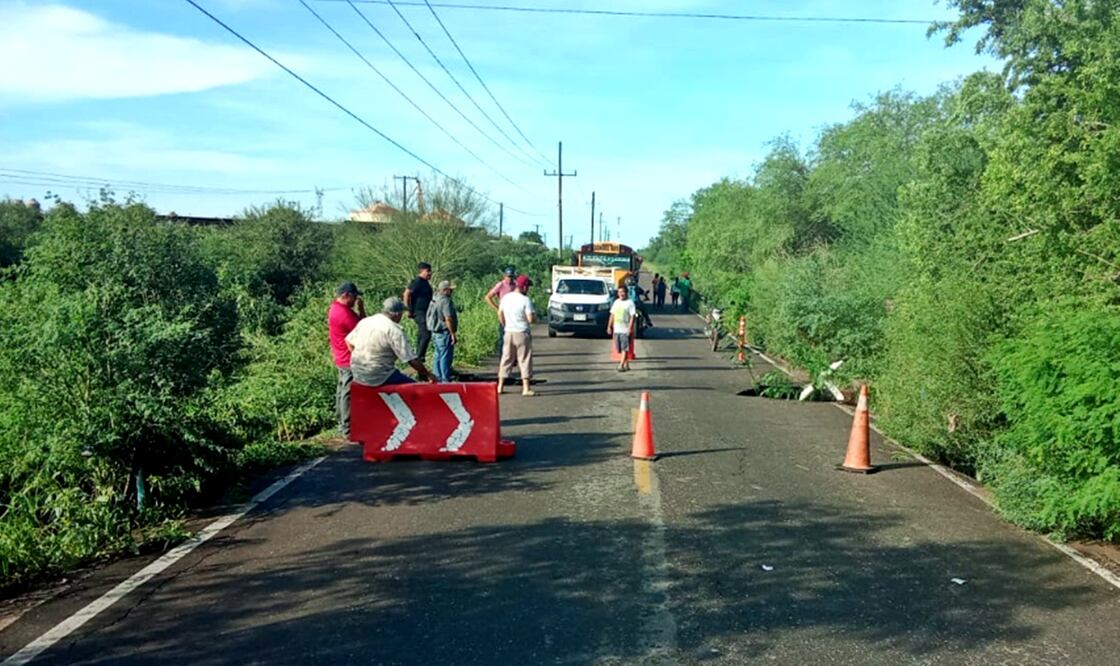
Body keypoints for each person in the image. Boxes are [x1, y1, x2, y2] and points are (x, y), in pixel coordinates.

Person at [346, 297, 436, 386]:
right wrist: (428, 374)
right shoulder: (394, 330)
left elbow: (349, 341)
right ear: (397, 314)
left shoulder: (366, 321)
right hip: (379, 376)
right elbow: (411, 360)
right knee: (415, 389)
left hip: (358, 373)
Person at [328, 281, 365, 442]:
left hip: (340, 354)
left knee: (342, 389)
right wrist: (361, 310)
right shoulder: (345, 314)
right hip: (348, 357)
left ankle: (341, 423)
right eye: (354, 297)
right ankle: (347, 427)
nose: (355, 300)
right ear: (346, 295)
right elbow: (364, 329)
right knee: (347, 392)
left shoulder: (335, 308)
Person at [498, 275, 537, 396]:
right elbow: (530, 319)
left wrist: (505, 325)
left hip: (508, 332)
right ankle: (526, 388)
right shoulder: (525, 300)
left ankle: (500, 386)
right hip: (521, 332)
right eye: (528, 286)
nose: (528, 289)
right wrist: (534, 317)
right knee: (524, 359)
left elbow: (500, 313)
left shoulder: (506, 297)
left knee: (506, 358)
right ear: (524, 287)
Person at [427, 280, 459, 383]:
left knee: (438, 355)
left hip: (435, 332)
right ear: (445, 290)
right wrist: (452, 333)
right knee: (445, 356)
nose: (452, 292)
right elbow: (448, 318)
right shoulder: (445, 301)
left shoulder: (435, 299)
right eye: (450, 290)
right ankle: (445, 379)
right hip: (444, 332)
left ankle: (437, 378)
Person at [403, 262, 434, 360]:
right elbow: (406, 293)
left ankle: (418, 355)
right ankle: (420, 357)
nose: (430, 273)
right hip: (419, 312)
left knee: (422, 333)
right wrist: (408, 309)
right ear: (421, 271)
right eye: (428, 271)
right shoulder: (417, 281)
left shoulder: (425, 282)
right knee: (426, 334)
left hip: (425, 312)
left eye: (430, 271)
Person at [485, 266, 517, 354]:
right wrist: (497, 308)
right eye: (508, 277)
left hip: (514, 314)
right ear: (505, 276)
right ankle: (502, 356)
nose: (510, 279)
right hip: (504, 314)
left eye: (511, 277)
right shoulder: (501, 285)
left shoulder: (515, 285)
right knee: (503, 336)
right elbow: (488, 297)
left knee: (514, 337)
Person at [608, 285, 637, 372]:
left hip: (625, 330)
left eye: (623, 292)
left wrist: (630, 328)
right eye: (619, 292)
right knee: (619, 349)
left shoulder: (630, 303)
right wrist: (609, 326)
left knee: (625, 348)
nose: (621, 294)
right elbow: (612, 315)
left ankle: (621, 365)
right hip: (617, 329)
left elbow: (633, 316)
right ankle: (626, 363)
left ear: (626, 293)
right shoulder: (616, 302)